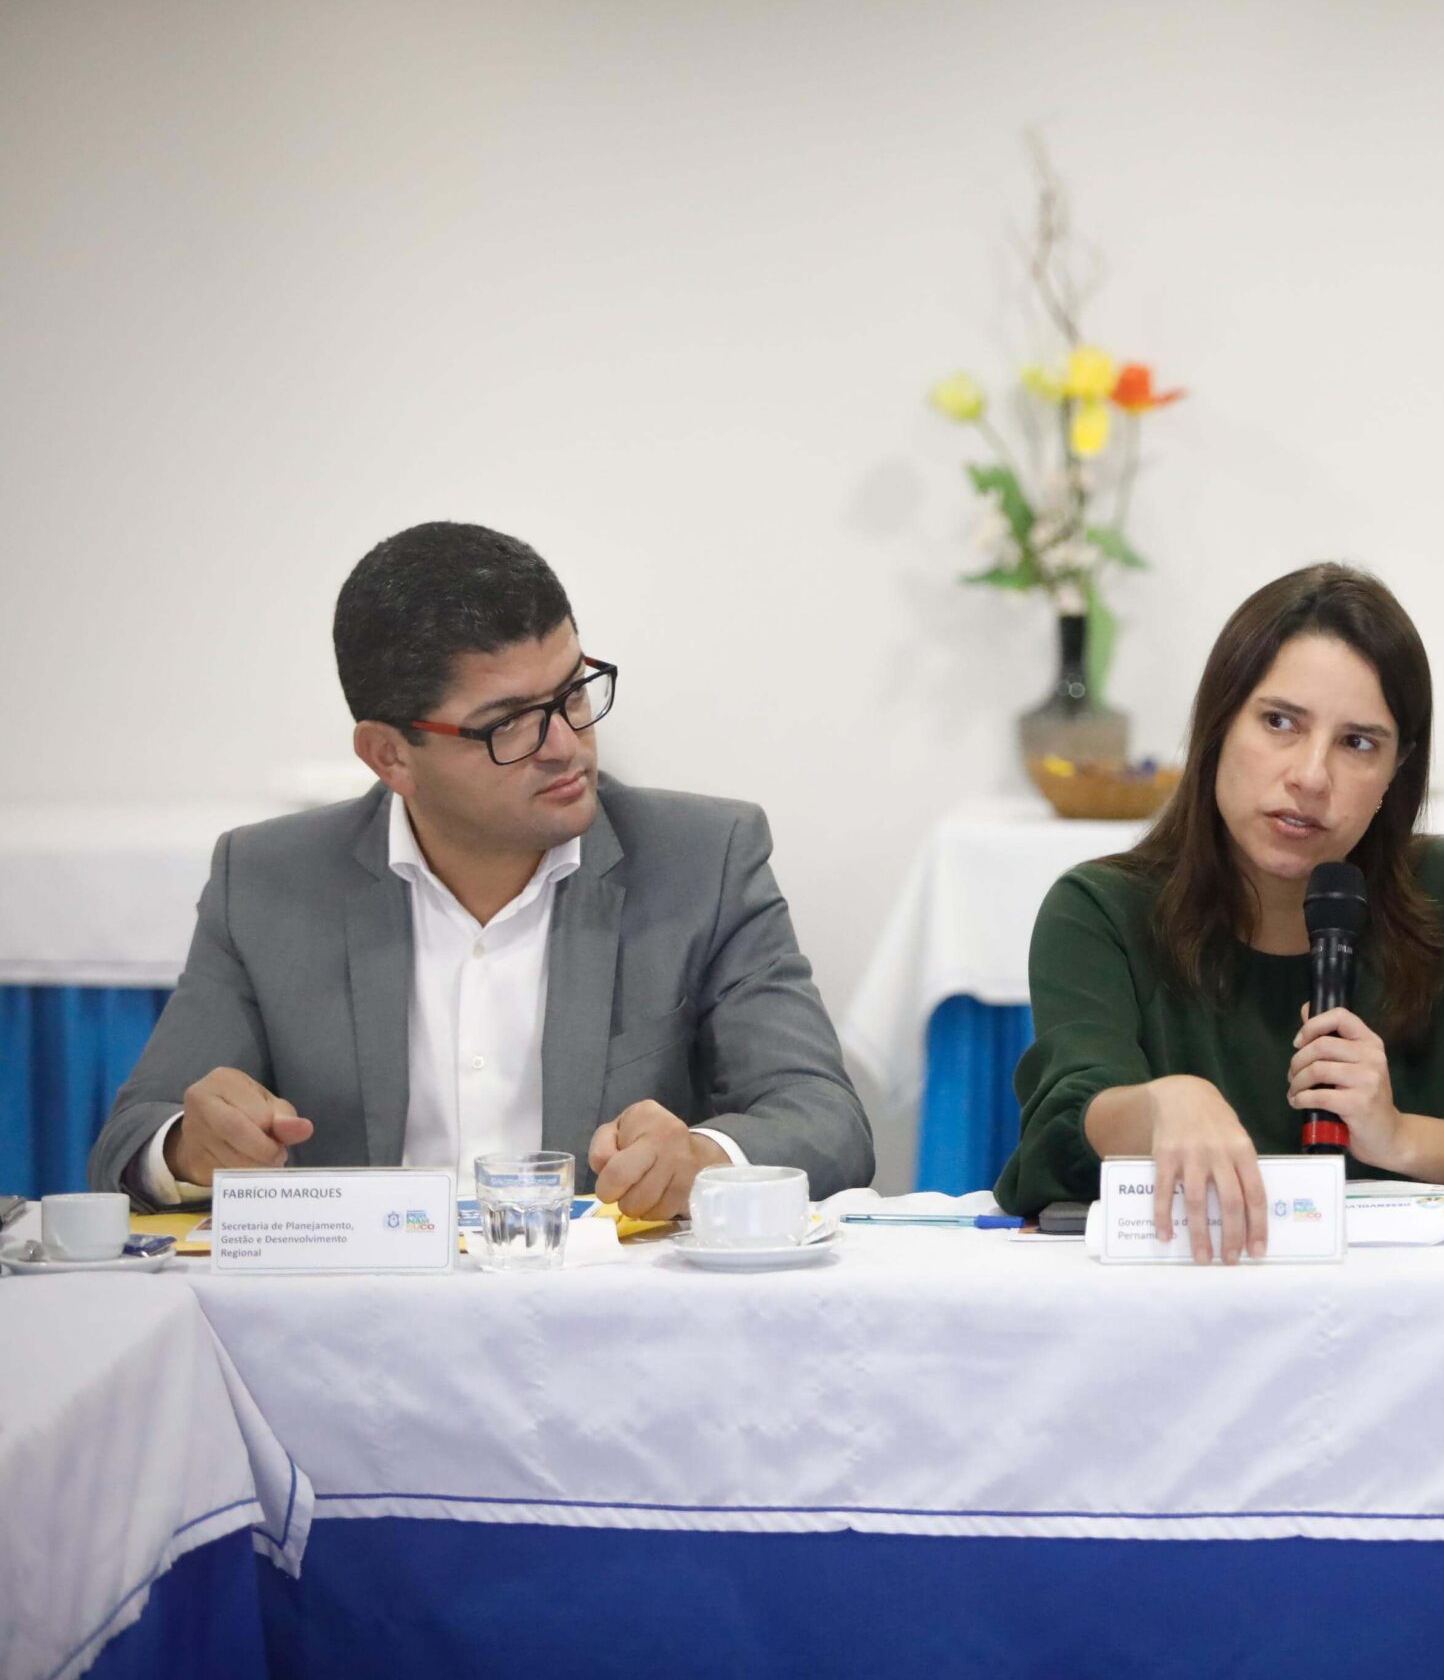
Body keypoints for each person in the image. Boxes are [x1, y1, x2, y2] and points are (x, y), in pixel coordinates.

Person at [89, 521, 872, 1216]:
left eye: (573, 694)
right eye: (509, 725)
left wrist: (704, 1158)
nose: (565, 743)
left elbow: (824, 1118)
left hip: (608, 1324)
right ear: (390, 754)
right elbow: (128, 1141)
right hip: (350, 1336)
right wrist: (191, 1148)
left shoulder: (704, 859)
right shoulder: (265, 881)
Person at [995, 563, 1444, 1260]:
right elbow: (1065, 1121)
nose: (1311, 777)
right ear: (1217, 724)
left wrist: (1399, 1135)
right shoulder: (1102, 911)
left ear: (1396, 773)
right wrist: (1164, 1104)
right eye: (1280, 722)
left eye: (1357, 743)